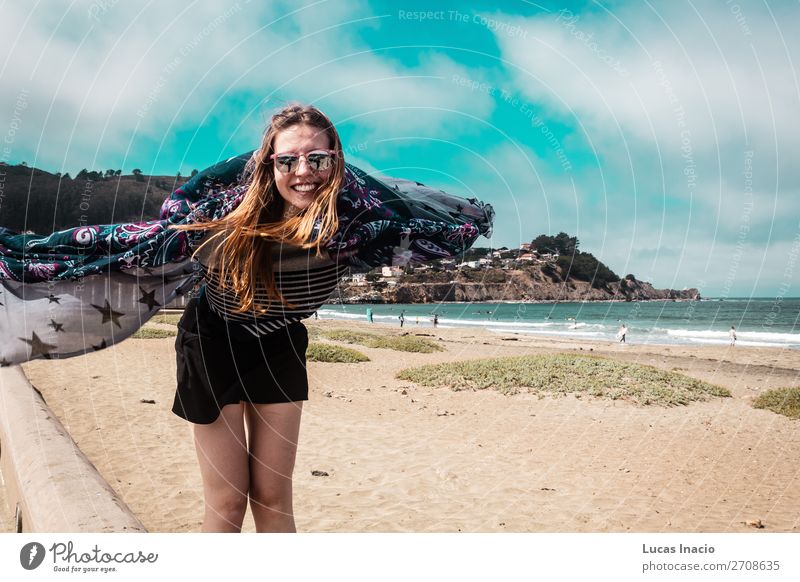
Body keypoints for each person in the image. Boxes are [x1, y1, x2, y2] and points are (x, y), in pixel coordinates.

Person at [0, 102, 494, 533]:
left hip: (280, 344)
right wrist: (19, 256)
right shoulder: (226, 219)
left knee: (275, 501)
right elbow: (119, 246)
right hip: (212, 341)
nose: (304, 171)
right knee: (228, 503)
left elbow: (447, 225)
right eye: (288, 160)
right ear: (270, 165)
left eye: (317, 158)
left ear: (337, 162)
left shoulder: (363, 223)